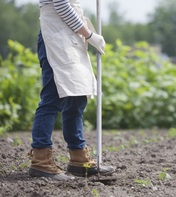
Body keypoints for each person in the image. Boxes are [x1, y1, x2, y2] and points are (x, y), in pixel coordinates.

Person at [28, 0, 115, 181]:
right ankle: (41, 160)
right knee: (52, 99)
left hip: (70, 37)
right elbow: (61, 5)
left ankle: (78, 158)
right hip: (55, 37)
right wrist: (90, 35)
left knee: (77, 97)